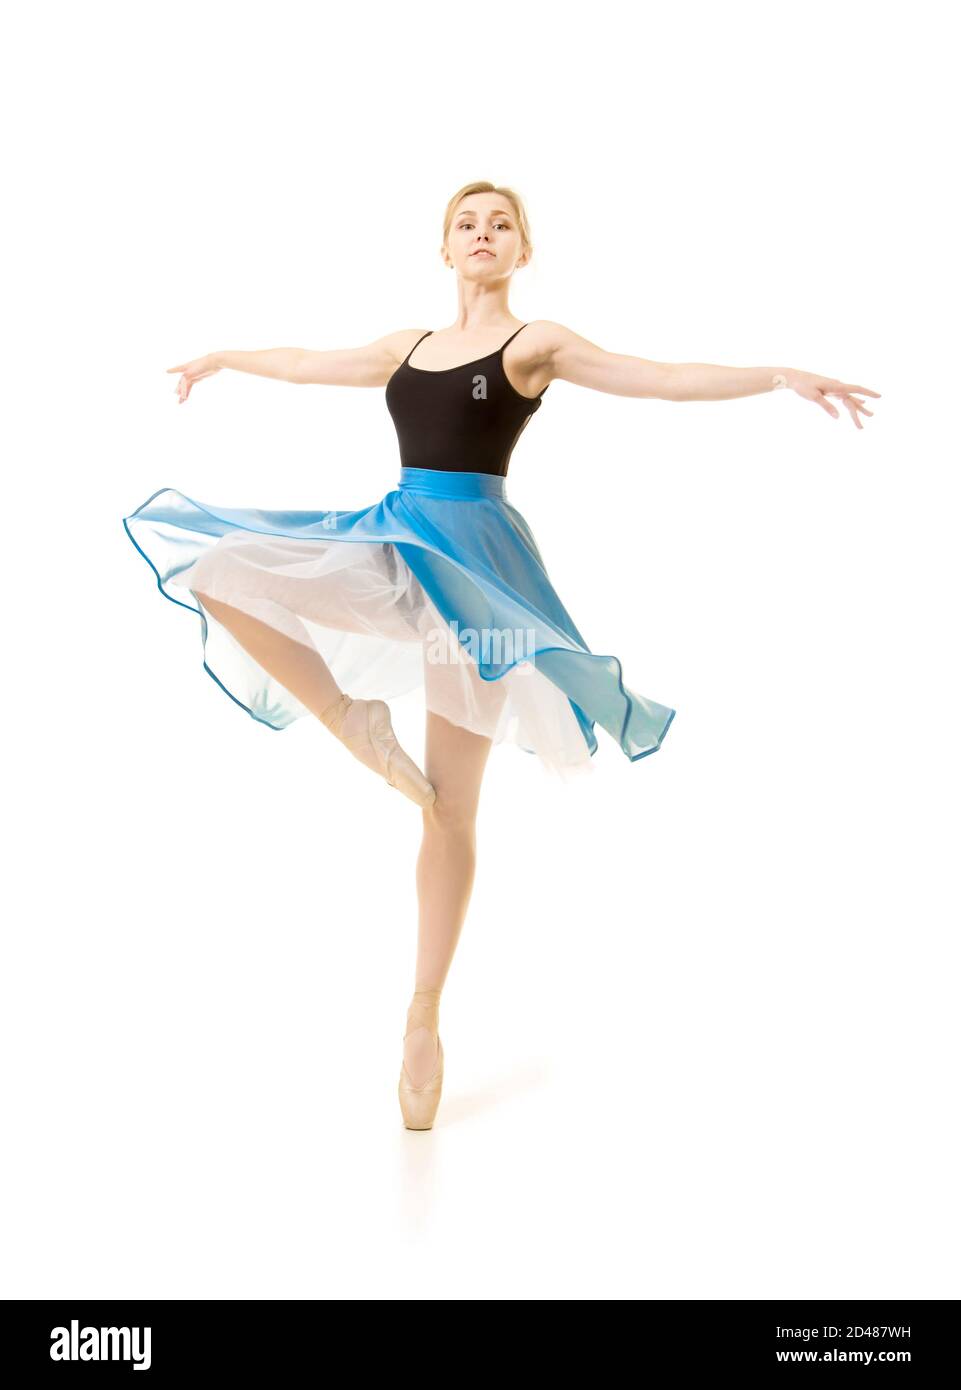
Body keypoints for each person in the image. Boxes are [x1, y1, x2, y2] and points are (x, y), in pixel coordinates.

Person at [123, 180, 879, 1130]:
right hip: (395, 540)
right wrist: (228, 357)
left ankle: (421, 1019)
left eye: (500, 224)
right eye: (465, 224)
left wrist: (777, 375)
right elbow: (312, 361)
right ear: (444, 250)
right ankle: (354, 721)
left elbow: (661, 374)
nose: (483, 234)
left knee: (448, 809)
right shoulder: (407, 347)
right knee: (224, 567)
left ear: (522, 249)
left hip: (480, 574)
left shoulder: (535, 345)